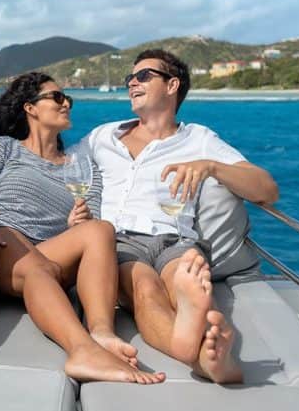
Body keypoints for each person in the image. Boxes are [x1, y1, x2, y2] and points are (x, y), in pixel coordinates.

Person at [84, 49, 279, 384]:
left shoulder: (199, 139)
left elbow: (266, 190)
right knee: (145, 288)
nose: (132, 82)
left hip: (177, 239)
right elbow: (55, 160)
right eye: (129, 78)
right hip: (120, 241)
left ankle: (203, 335)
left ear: (172, 85)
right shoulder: (104, 136)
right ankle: (206, 357)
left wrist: (211, 166)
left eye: (143, 76)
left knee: (186, 280)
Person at [0, 71, 165, 385]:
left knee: (100, 229)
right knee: (36, 265)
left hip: (51, 255)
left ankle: (101, 333)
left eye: (68, 99)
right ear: (30, 108)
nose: (66, 104)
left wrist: (77, 225)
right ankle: (81, 350)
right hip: (2, 243)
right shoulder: (4, 148)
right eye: (57, 97)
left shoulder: (83, 166)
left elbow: (94, 226)